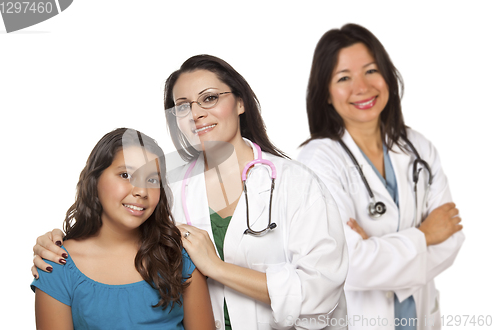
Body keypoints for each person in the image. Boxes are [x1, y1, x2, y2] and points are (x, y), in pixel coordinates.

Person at [31, 55, 349, 330]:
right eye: (182, 106)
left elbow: (321, 290)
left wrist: (217, 268)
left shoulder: (298, 184)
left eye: (209, 98)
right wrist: (57, 241)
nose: (196, 113)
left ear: (240, 102)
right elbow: (112, 230)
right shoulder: (163, 187)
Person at [297, 24, 465, 330]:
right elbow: (347, 265)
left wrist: (376, 250)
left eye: (371, 71)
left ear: (388, 75)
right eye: (344, 77)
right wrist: (424, 235)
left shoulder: (417, 147)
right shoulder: (317, 160)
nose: (362, 87)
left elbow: (451, 238)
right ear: (326, 94)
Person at [31, 128, 214, 330]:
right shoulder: (58, 264)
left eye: (152, 180)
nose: (142, 191)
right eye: (126, 174)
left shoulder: (179, 256)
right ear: (95, 180)